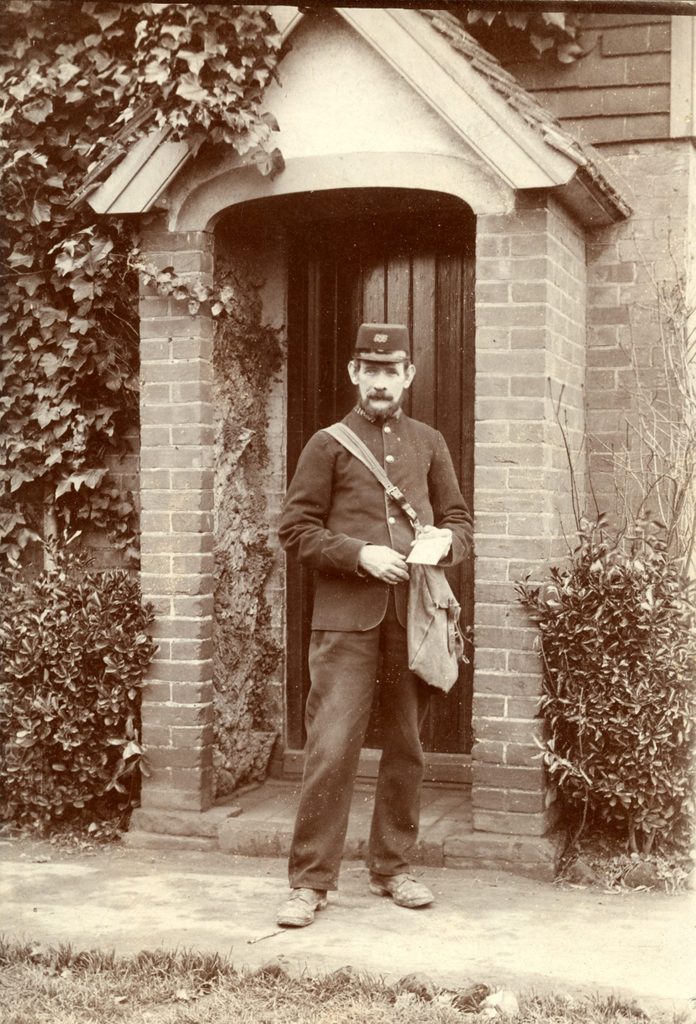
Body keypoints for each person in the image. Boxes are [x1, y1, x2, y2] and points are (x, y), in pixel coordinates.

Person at [276, 322, 473, 927]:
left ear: (408, 376)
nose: (382, 381)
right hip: (344, 625)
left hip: (411, 621)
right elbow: (295, 530)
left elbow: (461, 523)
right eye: (371, 370)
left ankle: (393, 868)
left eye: (393, 371)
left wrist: (445, 542)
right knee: (332, 749)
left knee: (407, 749)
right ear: (354, 374)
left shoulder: (429, 442)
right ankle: (310, 884)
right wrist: (358, 555)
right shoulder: (327, 445)